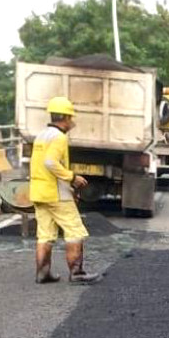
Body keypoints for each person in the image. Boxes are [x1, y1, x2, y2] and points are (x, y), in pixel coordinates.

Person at [29, 96, 101, 286]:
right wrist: (72, 178)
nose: (72, 122)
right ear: (65, 118)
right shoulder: (59, 137)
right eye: (71, 118)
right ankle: (77, 273)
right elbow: (50, 162)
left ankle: (42, 273)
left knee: (45, 234)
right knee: (74, 230)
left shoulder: (41, 135)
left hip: (39, 191)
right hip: (56, 193)